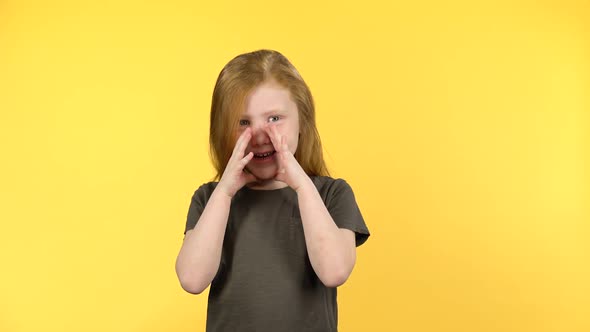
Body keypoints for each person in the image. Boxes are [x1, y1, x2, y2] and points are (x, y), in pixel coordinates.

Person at [175, 49, 370, 332]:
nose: (259, 135)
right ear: (222, 131)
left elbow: (335, 271)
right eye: (243, 122)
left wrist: (302, 185)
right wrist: (224, 194)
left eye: (274, 118)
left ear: (302, 120)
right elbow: (192, 279)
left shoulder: (331, 194)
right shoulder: (210, 199)